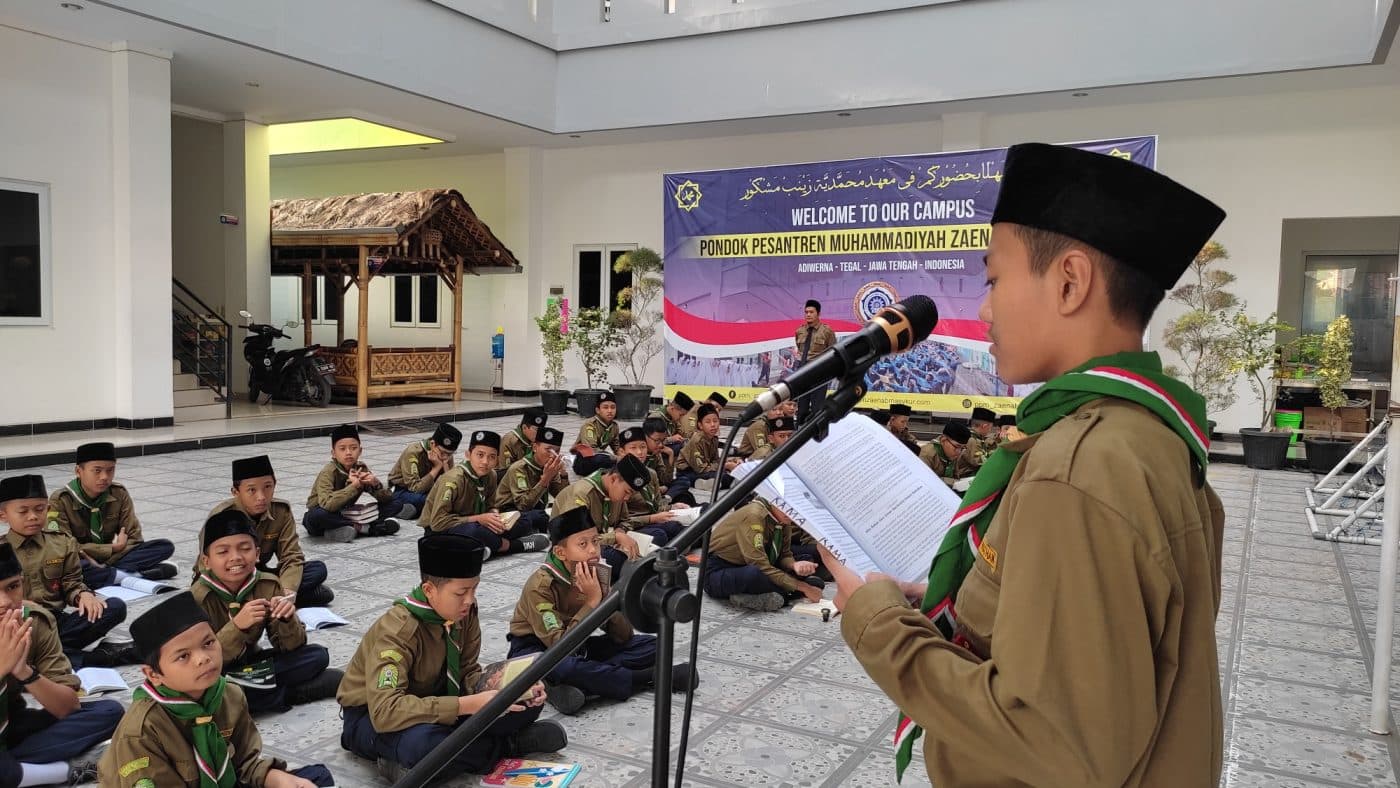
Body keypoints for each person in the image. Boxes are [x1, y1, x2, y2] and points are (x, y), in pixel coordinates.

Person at [823, 142, 1227, 786]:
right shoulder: (1141, 436)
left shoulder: (1075, 469)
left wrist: (878, 623)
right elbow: (1110, 642)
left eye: (993, 280)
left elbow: (1055, 742)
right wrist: (961, 599)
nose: (984, 309)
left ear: (1069, 281)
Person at [337, 534, 564, 783]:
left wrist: (502, 684)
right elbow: (386, 712)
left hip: (437, 703)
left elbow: (466, 673)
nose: (469, 600)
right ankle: (508, 745)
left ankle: (440, 760)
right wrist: (467, 706)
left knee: (526, 701)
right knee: (424, 744)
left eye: (474, 588)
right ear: (429, 590)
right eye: (461, 592)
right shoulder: (397, 631)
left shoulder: (463, 614)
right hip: (373, 718)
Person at [98, 592, 334, 787]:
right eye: (183, 656)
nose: (203, 658)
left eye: (209, 643)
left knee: (314, 778)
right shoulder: (141, 731)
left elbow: (245, 764)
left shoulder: (229, 694)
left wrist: (276, 778)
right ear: (153, 674)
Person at [506, 508, 696, 716]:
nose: (593, 550)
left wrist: (605, 598)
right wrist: (592, 601)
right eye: (583, 544)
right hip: (536, 649)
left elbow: (624, 636)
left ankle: (565, 684)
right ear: (561, 552)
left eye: (595, 541)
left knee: (653, 645)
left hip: (578, 643)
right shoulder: (541, 586)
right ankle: (648, 678)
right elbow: (559, 647)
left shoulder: (594, 571)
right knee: (566, 667)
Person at [191, 510, 340, 714]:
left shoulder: (266, 584)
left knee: (316, 656)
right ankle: (290, 693)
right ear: (206, 561)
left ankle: (255, 692)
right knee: (208, 691)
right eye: (223, 552)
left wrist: (287, 619)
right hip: (214, 673)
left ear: (258, 553)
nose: (235, 558)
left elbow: (289, 647)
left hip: (250, 666)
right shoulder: (198, 598)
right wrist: (236, 627)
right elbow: (197, 663)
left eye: (245, 549)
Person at [0, 542, 122, 787]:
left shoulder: (33, 621)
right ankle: (65, 771)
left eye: (12, 587)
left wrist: (24, 671)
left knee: (110, 711)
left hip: (9, 724)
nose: (4, 602)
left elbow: (68, 707)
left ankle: (13, 768)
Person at [0, 475, 132, 667]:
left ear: (48, 509)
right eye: (23, 511)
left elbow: (72, 582)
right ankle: (100, 657)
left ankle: (38, 655)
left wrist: (83, 595)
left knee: (114, 607)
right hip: (13, 623)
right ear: (3, 515)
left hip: (56, 622)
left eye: (39, 509)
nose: (33, 516)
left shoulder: (61, 543)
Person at [205, 455, 334, 608]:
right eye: (251, 490)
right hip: (231, 578)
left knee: (317, 570)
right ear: (235, 492)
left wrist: (288, 591)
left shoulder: (281, 511)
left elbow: (291, 556)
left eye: (267, 487)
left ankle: (267, 600)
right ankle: (264, 599)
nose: (261, 497)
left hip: (260, 576)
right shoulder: (220, 517)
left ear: (275, 485)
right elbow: (205, 565)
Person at [47, 441, 177, 590]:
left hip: (111, 559)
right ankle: (136, 576)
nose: (104, 477)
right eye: (97, 470)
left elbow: (134, 538)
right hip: (81, 559)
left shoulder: (118, 493)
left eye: (110, 470)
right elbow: (63, 548)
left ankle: (111, 574)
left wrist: (109, 557)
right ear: (78, 471)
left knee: (164, 546)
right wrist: (113, 548)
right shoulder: (60, 500)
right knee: (67, 565)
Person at [420, 430, 549, 560]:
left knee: (525, 518)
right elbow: (437, 523)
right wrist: (479, 518)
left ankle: (482, 548)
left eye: (492, 457)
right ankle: (516, 545)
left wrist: (495, 517)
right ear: (468, 455)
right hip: (443, 531)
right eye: (480, 455)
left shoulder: (491, 475)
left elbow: (491, 505)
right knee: (473, 531)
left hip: (478, 523)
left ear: (497, 460)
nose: (485, 462)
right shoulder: (453, 480)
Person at [702, 496, 823, 612]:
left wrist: (794, 565)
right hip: (720, 570)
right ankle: (785, 594)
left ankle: (775, 593)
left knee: (806, 560)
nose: (792, 512)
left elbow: (784, 555)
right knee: (754, 574)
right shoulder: (754, 516)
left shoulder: (782, 518)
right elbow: (760, 565)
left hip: (756, 564)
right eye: (787, 506)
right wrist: (803, 587)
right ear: (774, 500)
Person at [550, 456, 650, 582]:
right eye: (627, 492)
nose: (627, 498)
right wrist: (615, 537)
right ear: (614, 479)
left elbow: (625, 520)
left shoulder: (616, 493)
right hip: (579, 551)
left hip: (604, 542)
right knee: (619, 559)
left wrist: (620, 530)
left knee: (660, 533)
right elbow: (578, 543)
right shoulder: (582, 494)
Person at [303, 424, 403, 542]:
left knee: (396, 502)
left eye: (353, 448)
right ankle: (368, 528)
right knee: (316, 516)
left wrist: (375, 484)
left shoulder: (360, 468)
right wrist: (354, 486)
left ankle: (345, 529)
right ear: (333, 453)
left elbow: (386, 498)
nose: (348, 452)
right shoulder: (328, 471)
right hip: (326, 514)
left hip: (347, 514)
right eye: (342, 449)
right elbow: (327, 504)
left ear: (360, 450)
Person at [617, 427, 691, 547]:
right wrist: (652, 518)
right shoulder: (618, 479)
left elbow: (657, 504)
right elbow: (623, 521)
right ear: (621, 452)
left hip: (655, 517)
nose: (640, 452)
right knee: (663, 533)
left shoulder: (650, 473)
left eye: (643, 447)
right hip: (636, 524)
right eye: (633, 448)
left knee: (696, 512)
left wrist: (672, 507)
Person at [493, 427, 569, 536]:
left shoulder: (550, 466)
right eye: (548, 450)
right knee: (541, 517)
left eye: (557, 451)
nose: (553, 455)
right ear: (534, 447)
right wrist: (545, 479)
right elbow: (523, 505)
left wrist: (563, 475)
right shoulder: (519, 468)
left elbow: (563, 497)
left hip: (533, 510)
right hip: (510, 512)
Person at [387, 423, 462, 520]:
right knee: (425, 500)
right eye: (442, 452)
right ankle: (396, 507)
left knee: (454, 497)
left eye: (450, 454)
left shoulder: (446, 455)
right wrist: (436, 468)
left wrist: (445, 466)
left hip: (428, 490)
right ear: (432, 444)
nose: (445, 457)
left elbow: (449, 485)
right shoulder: (413, 452)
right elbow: (415, 488)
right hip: (402, 490)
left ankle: (415, 510)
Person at [670, 404, 741, 499]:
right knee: (724, 475)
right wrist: (724, 466)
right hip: (687, 472)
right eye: (708, 422)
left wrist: (730, 462)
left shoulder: (714, 439)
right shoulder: (697, 440)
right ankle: (702, 482)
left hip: (704, 468)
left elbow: (715, 460)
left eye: (715, 421)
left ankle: (707, 483)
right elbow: (700, 468)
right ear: (700, 425)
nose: (713, 425)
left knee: (727, 473)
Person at [793, 300, 836, 424]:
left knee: (817, 409)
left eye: (811, 312)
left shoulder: (827, 331)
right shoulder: (800, 331)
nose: (808, 315)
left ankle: (816, 436)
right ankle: (800, 435)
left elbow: (833, 352)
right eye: (806, 312)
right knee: (801, 409)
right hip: (803, 372)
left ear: (818, 313)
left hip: (819, 373)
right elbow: (800, 350)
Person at [571, 392, 621, 476]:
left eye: (613, 407)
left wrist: (624, 455)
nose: (610, 411)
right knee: (605, 459)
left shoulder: (614, 426)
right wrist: (615, 458)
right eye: (605, 407)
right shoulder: (590, 425)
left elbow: (617, 446)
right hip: (583, 461)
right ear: (597, 410)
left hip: (598, 458)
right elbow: (591, 449)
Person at [917, 422, 975, 488]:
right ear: (943, 440)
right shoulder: (927, 454)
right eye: (956, 446)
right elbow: (923, 481)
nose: (959, 452)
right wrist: (953, 482)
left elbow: (955, 475)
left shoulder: (953, 452)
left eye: (962, 448)